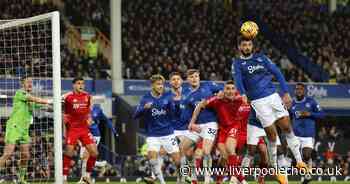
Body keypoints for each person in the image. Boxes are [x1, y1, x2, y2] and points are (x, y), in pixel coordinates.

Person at [232, 37, 308, 184]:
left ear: (252, 45)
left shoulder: (262, 58)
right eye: (244, 45)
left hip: (273, 96)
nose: (247, 47)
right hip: (258, 102)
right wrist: (242, 94)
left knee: (287, 127)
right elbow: (238, 80)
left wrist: (285, 92)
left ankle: (299, 161)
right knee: (272, 136)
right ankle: (276, 170)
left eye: (249, 44)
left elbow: (278, 73)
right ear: (239, 47)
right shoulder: (237, 63)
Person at [189, 80, 248, 184]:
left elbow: (253, 99)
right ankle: (219, 179)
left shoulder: (240, 98)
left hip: (233, 128)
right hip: (221, 130)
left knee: (230, 150)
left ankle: (241, 181)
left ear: (236, 91)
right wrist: (192, 123)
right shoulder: (217, 99)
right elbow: (200, 106)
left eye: (232, 89)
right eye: (228, 89)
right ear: (224, 90)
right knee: (225, 157)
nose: (230, 91)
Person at [0, 76, 51, 184]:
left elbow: (45, 107)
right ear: (22, 84)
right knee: (8, 154)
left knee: (26, 155)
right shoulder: (20, 93)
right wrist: (49, 100)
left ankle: (21, 179)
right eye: (27, 82)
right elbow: (35, 99)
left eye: (31, 82)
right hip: (14, 127)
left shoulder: (30, 100)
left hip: (24, 130)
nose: (30, 84)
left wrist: (58, 106)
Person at [134, 74, 181, 184]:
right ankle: (161, 182)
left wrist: (177, 103)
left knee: (178, 161)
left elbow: (175, 114)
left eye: (162, 84)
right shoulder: (145, 98)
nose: (161, 87)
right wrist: (144, 109)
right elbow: (135, 115)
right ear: (152, 85)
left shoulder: (168, 96)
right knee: (153, 160)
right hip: (153, 135)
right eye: (158, 84)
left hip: (168, 133)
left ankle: (183, 178)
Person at [182, 69, 222, 184]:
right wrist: (192, 125)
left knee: (206, 151)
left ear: (199, 77)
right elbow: (188, 116)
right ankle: (191, 177)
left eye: (196, 76)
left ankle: (207, 179)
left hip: (211, 123)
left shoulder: (209, 86)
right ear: (188, 80)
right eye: (191, 77)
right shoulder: (188, 96)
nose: (194, 79)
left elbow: (223, 91)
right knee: (182, 148)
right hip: (197, 126)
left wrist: (219, 94)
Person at [62, 77, 98, 184]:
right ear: (73, 85)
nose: (81, 86)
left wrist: (89, 117)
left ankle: (87, 176)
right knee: (69, 152)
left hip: (84, 129)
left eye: (82, 84)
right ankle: (64, 178)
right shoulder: (68, 97)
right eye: (78, 83)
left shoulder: (87, 96)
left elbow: (89, 110)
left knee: (94, 153)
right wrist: (64, 124)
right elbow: (63, 112)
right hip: (72, 129)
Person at [290, 83, 325, 184]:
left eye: (301, 89)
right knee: (290, 155)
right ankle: (285, 176)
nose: (299, 91)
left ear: (304, 91)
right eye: (297, 89)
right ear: (295, 91)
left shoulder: (311, 101)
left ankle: (308, 175)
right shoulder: (292, 103)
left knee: (306, 155)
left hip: (308, 136)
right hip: (295, 135)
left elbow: (322, 114)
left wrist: (309, 114)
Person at [78, 104, 118, 183]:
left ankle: (84, 179)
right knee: (82, 157)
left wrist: (115, 132)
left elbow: (107, 120)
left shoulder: (97, 110)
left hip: (95, 135)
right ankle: (101, 164)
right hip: (85, 135)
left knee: (86, 157)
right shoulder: (81, 111)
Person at [167, 72, 195, 183]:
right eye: (173, 79)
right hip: (173, 130)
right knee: (178, 158)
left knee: (189, 155)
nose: (176, 81)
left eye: (178, 79)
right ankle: (182, 177)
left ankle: (190, 177)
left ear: (181, 81)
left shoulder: (189, 93)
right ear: (170, 82)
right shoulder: (167, 96)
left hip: (187, 128)